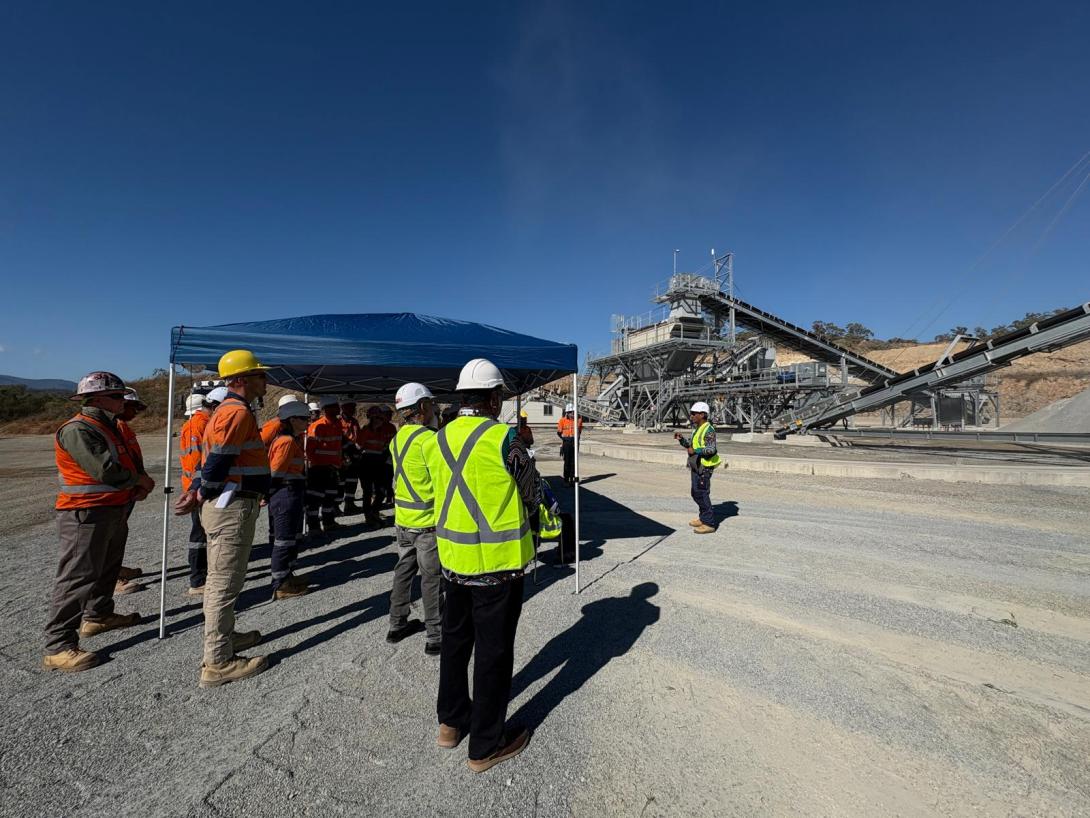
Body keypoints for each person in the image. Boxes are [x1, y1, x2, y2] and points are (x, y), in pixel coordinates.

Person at [427, 358, 533, 773]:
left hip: (454, 561)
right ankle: (485, 745)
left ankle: (450, 723)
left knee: (455, 644)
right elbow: (533, 492)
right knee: (492, 652)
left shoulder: (436, 439)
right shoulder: (505, 440)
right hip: (498, 565)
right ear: (493, 397)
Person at [43, 372, 155, 673]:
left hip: (111, 509)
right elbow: (105, 470)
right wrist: (138, 481)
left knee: (107, 567)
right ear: (95, 399)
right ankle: (58, 645)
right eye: (117, 396)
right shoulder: (78, 429)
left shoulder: (111, 427)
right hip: (85, 513)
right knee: (77, 577)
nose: (123, 401)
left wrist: (135, 487)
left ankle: (99, 615)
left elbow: (124, 463)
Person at [174, 349, 271, 688]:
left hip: (228, 502)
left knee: (224, 579)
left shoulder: (229, 410)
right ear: (241, 379)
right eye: (259, 375)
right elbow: (217, 461)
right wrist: (201, 491)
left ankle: (225, 639)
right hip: (230, 506)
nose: (265, 379)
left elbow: (210, 461)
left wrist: (199, 487)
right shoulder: (236, 413)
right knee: (223, 583)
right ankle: (217, 661)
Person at [386, 382, 441, 655]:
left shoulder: (398, 439)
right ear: (422, 407)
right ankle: (436, 634)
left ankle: (397, 624)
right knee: (431, 578)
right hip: (427, 522)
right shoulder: (429, 440)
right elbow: (441, 480)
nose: (434, 408)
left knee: (403, 571)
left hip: (403, 520)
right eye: (430, 403)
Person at [267, 400, 311, 600]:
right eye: (304, 419)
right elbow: (276, 471)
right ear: (292, 420)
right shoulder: (285, 441)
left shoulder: (291, 439)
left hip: (291, 492)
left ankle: (287, 576)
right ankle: (280, 584)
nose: (307, 422)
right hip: (285, 493)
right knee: (283, 540)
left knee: (291, 538)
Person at [112, 388, 153, 594]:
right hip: (118, 491)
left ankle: (116, 569)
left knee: (119, 534)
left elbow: (132, 457)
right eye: (133, 407)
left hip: (129, 489)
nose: (136, 412)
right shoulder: (113, 428)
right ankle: (113, 579)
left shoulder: (122, 427)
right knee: (110, 538)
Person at [178, 392, 212, 595]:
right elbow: (199, 461)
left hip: (193, 486)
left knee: (200, 532)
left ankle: (200, 576)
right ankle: (198, 579)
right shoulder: (200, 425)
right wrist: (197, 488)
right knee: (200, 533)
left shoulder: (190, 425)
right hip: (197, 488)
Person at [674, 401, 721, 534]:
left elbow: (711, 449)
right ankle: (703, 518)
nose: (692, 416)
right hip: (696, 465)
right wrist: (681, 440)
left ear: (702, 414)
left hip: (704, 467)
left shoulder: (709, 430)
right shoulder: (697, 429)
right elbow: (690, 445)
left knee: (702, 493)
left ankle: (709, 523)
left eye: (694, 414)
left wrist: (696, 451)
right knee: (696, 493)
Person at [304, 395, 343, 536]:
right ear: (327, 409)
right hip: (318, 469)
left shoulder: (338, 424)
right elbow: (309, 450)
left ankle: (329, 523)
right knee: (315, 499)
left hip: (333, 468)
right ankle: (313, 527)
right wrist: (315, 465)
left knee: (330, 497)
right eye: (335, 406)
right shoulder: (317, 427)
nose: (338, 409)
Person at [357, 405, 391, 528]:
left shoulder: (382, 432)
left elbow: (385, 447)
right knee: (367, 492)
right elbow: (358, 447)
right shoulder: (365, 430)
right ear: (371, 418)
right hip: (366, 463)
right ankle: (369, 516)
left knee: (381, 491)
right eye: (376, 418)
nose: (379, 421)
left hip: (378, 462)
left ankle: (374, 512)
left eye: (381, 418)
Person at [338, 397, 363, 515]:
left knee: (352, 480)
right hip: (342, 455)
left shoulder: (354, 421)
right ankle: (335, 506)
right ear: (343, 408)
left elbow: (358, 437)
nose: (353, 409)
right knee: (340, 482)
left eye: (353, 407)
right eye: (350, 407)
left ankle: (349, 504)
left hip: (354, 454)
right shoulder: (338, 421)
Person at [556, 404, 583, 485]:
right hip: (567, 442)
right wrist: (564, 440)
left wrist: (576, 440)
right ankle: (566, 480)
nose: (573, 414)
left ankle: (573, 478)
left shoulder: (578, 420)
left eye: (574, 412)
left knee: (574, 462)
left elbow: (580, 431)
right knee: (567, 462)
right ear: (567, 413)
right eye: (571, 412)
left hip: (575, 442)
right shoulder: (562, 420)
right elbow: (559, 433)